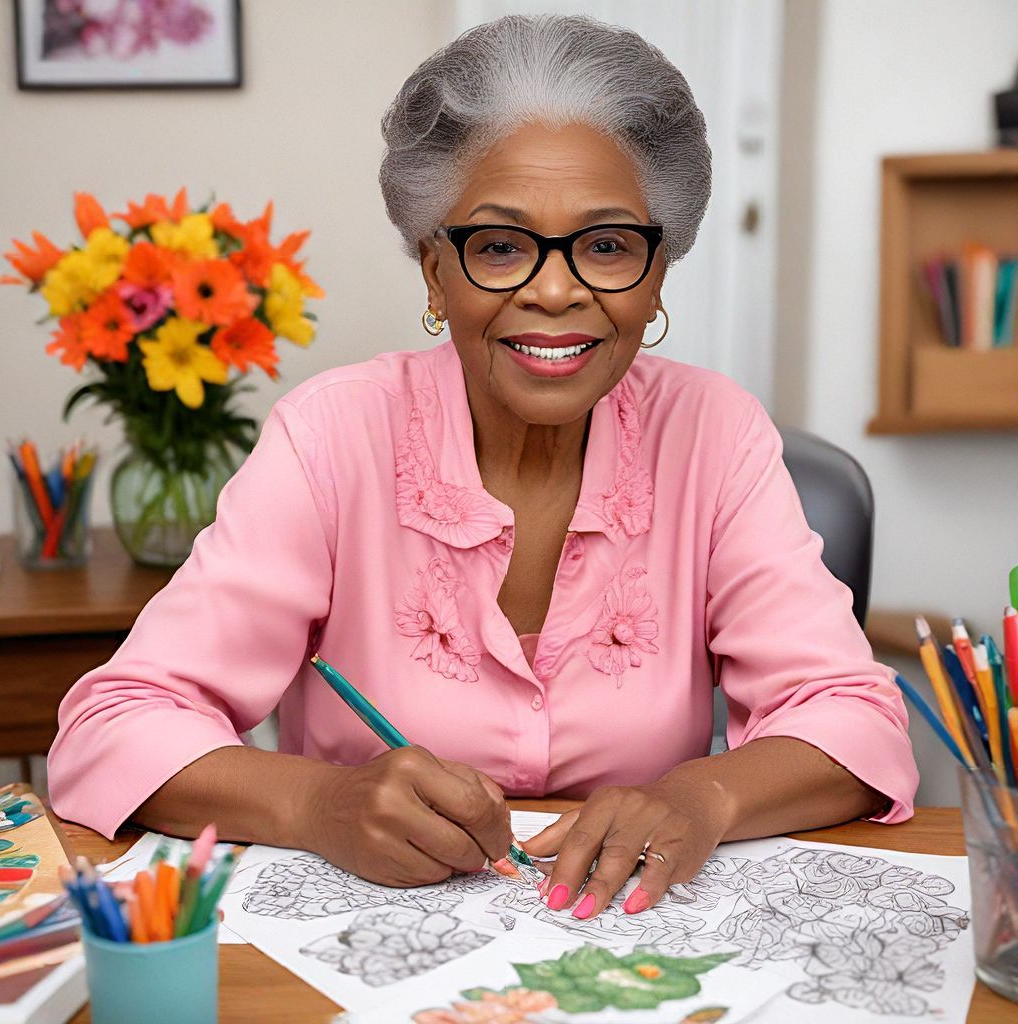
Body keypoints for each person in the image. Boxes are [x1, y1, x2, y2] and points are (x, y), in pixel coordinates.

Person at [48, 13, 917, 922]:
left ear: (657, 273)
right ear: (435, 271)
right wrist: (318, 804)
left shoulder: (715, 434)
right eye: (500, 247)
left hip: (628, 942)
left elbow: (856, 718)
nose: (556, 289)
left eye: (608, 245)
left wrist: (704, 796)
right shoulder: (331, 436)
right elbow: (116, 723)